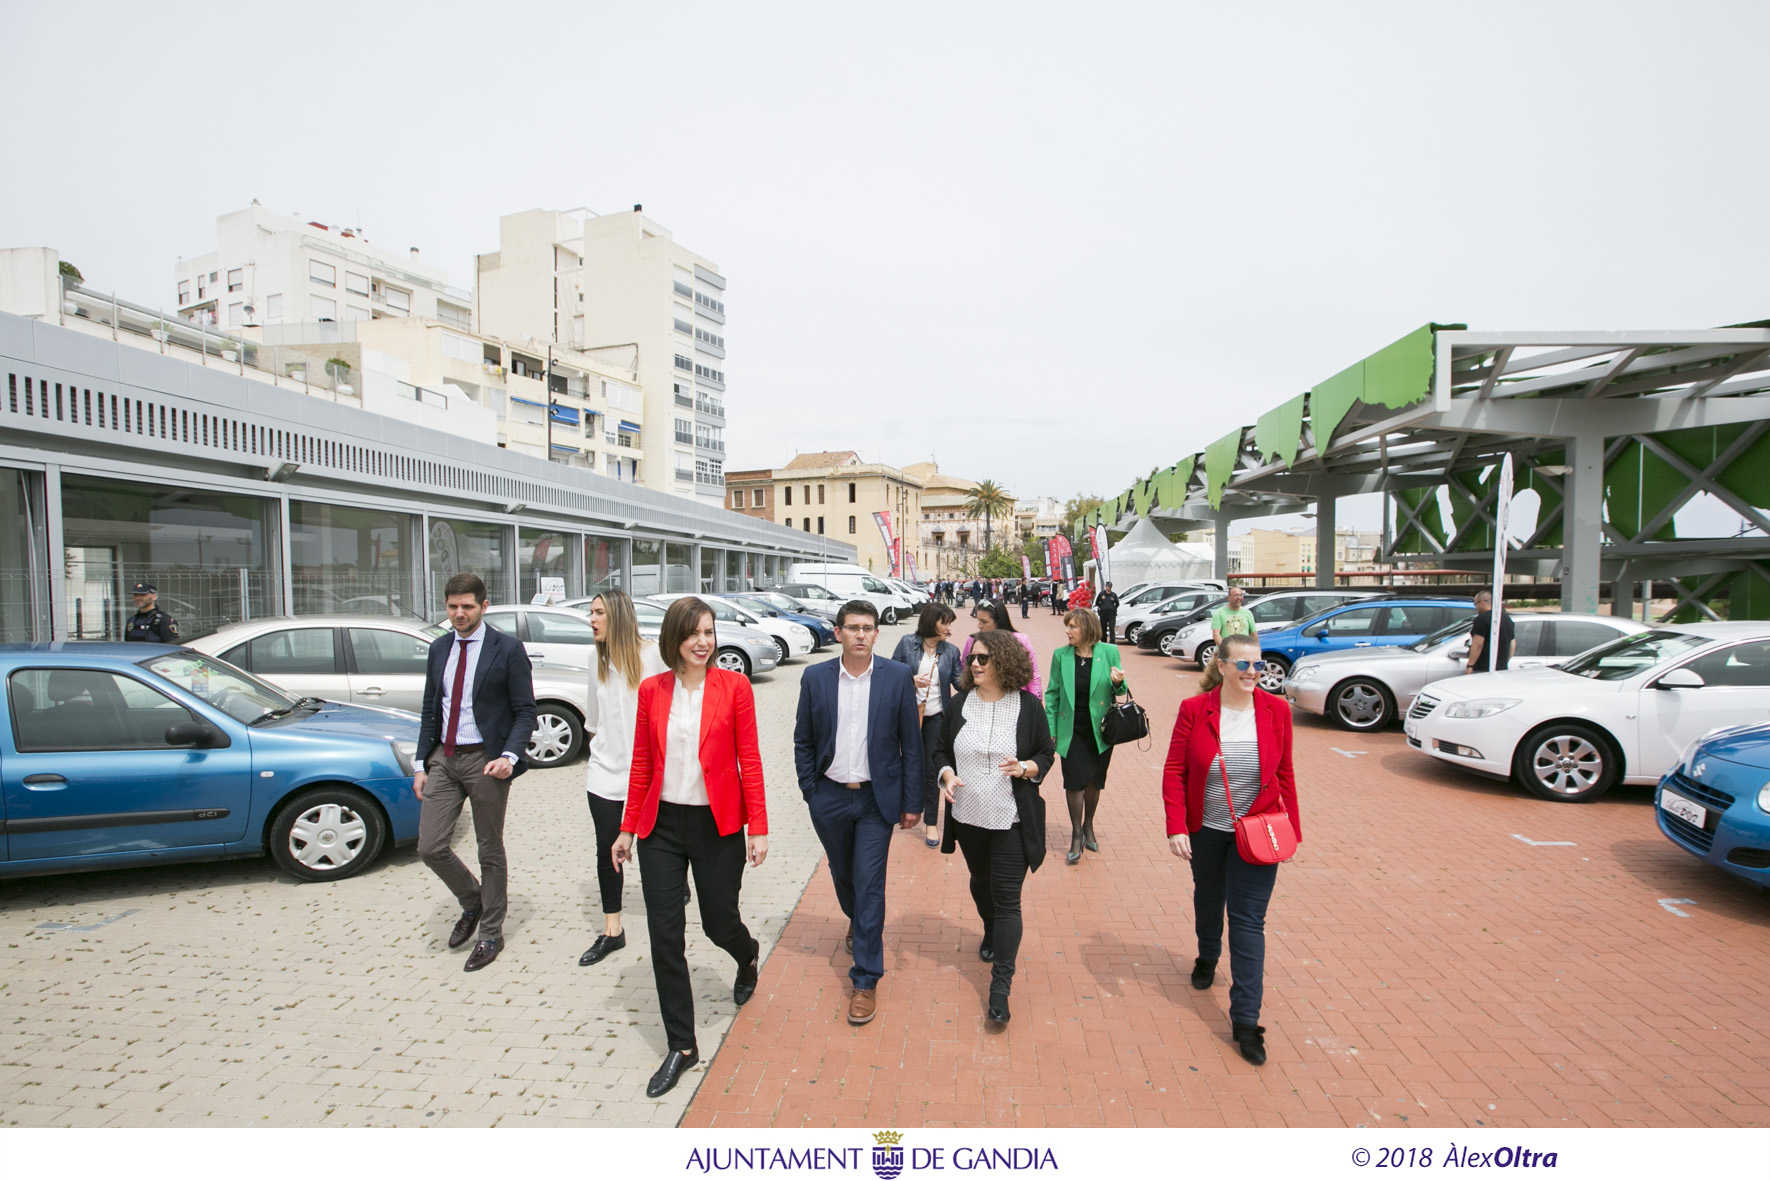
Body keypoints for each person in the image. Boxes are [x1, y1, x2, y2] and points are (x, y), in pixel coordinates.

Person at [613, 596, 769, 1099]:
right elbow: (641, 763)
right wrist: (627, 829)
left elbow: (751, 757)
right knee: (664, 934)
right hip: (662, 826)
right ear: (674, 639)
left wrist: (758, 826)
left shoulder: (735, 686)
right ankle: (682, 1045)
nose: (704, 642)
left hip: (717, 824)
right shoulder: (653, 690)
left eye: (709, 631)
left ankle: (746, 956)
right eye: (694, 633)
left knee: (718, 920)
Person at [1160, 632, 1301, 1067]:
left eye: (1257, 665)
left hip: (1258, 833)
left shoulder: (1276, 711)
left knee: (1248, 921)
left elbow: (1286, 773)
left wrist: (1292, 830)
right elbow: (1175, 769)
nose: (1253, 672)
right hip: (1208, 829)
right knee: (1208, 898)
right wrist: (1176, 826)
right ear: (1221, 666)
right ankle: (1207, 953)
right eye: (1243, 664)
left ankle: (1245, 1021)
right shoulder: (1194, 711)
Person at [795, 599, 923, 1025]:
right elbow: (804, 740)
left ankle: (865, 979)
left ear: (876, 633)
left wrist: (911, 802)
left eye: (868, 627)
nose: (862, 634)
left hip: (875, 800)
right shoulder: (814, 678)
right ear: (839, 633)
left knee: (869, 884)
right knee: (843, 874)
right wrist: (810, 790)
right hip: (829, 797)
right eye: (853, 627)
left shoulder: (897, 677)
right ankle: (857, 920)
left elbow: (911, 745)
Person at [413, 573, 537, 973]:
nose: (459, 614)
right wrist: (421, 763)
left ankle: (490, 932)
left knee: (489, 849)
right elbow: (431, 708)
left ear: (484, 606)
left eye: (467, 606)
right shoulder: (439, 648)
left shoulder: (507, 649)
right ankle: (472, 901)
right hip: (444, 759)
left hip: (487, 761)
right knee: (430, 846)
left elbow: (525, 711)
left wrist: (509, 757)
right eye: (453, 607)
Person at [934, 628, 1055, 1025]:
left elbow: (1045, 751)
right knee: (978, 881)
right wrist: (947, 775)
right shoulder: (959, 704)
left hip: (1011, 819)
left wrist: (1027, 768)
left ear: (1005, 661)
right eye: (972, 658)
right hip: (968, 816)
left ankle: (1000, 985)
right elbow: (938, 750)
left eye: (983, 658)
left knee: (1008, 898)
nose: (975, 664)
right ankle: (988, 928)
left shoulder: (1027, 706)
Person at [579, 590, 668, 968]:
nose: (592, 619)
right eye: (591, 612)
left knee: (654, 852)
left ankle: (669, 911)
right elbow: (594, 721)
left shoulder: (652, 657)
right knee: (607, 851)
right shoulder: (594, 659)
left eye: (598, 612)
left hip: (648, 777)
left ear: (617, 615)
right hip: (604, 774)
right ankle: (612, 930)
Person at [1044, 609, 1128, 865]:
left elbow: (1121, 690)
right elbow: (1052, 694)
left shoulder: (1109, 652)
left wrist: (1117, 682)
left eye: (1073, 627)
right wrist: (1052, 731)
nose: (1068, 631)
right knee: (1073, 783)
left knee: (1094, 782)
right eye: (1067, 626)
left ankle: (1089, 823)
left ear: (1088, 629)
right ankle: (1076, 833)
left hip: (1100, 730)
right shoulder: (1061, 655)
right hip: (1071, 729)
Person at [891, 603, 963, 847]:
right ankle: (903, 809)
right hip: (908, 716)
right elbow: (890, 672)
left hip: (937, 718)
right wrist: (910, 680)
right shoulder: (906, 643)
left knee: (933, 769)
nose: (948, 628)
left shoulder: (951, 651)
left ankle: (931, 822)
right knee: (906, 762)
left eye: (950, 623)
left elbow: (959, 682)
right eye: (945, 622)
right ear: (932, 622)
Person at [961, 599, 1043, 698]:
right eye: (978, 621)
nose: (979, 626)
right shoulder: (973, 641)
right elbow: (965, 669)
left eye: (984, 622)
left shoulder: (1020, 640)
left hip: (1016, 697)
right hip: (983, 698)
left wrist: (1035, 700)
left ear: (999, 621)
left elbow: (1033, 674)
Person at [1466, 590, 1516, 673]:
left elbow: (1478, 644)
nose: (1476, 607)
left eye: (1476, 604)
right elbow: (1512, 644)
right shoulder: (1507, 618)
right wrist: (1504, 662)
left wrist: (1470, 665)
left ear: (1482, 602)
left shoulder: (1481, 619)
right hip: (1502, 668)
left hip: (1483, 668)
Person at [1209, 586, 1257, 660]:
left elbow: (1253, 634)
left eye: (1241, 595)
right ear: (1229, 598)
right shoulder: (1219, 613)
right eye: (1236, 595)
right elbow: (1216, 634)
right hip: (1225, 655)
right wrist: (1227, 650)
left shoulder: (1248, 613)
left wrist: (1255, 650)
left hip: (1243, 654)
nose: (1239, 597)